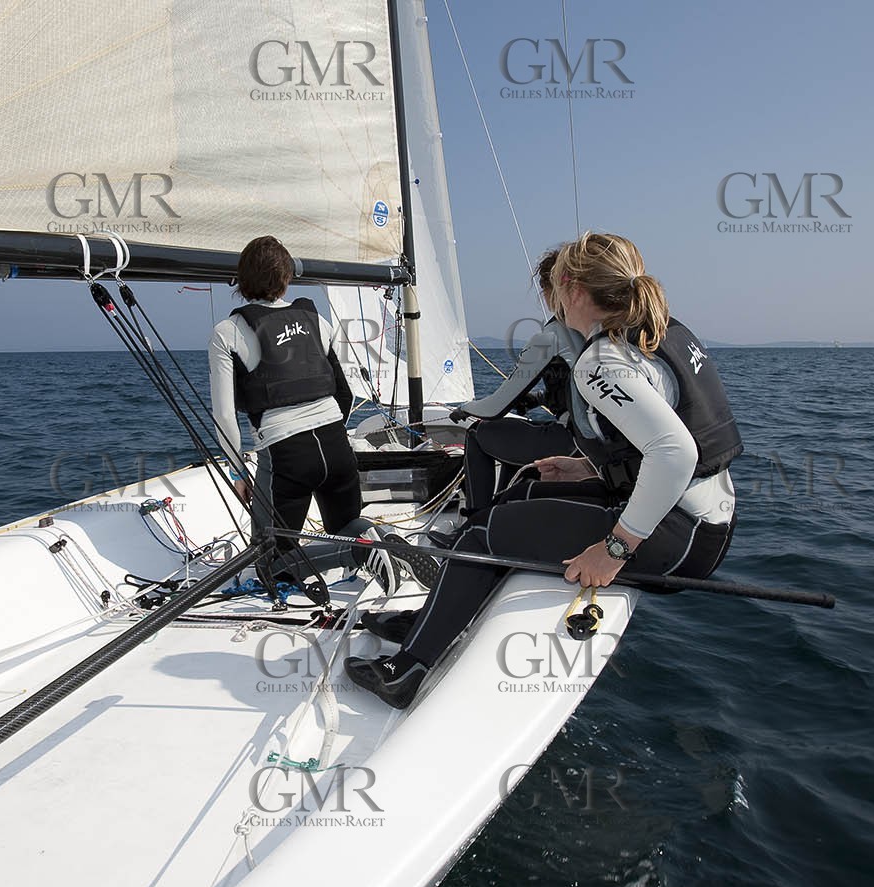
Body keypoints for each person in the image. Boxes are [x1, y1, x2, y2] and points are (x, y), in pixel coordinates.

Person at [347, 232, 741, 707]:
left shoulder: (601, 362)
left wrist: (614, 549)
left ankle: (405, 671)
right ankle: (435, 615)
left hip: (680, 534)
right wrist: (586, 468)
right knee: (519, 497)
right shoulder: (656, 332)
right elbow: (659, 439)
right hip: (701, 520)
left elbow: (676, 453)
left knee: (481, 535)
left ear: (572, 288)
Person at [209, 236, 395, 596]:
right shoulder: (317, 321)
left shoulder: (227, 332)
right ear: (287, 278)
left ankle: (360, 552)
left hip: (287, 457)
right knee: (345, 526)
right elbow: (344, 393)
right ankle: (380, 540)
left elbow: (225, 416)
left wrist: (239, 472)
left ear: (241, 280)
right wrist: (329, 434)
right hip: (337, 446)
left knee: (269, 562)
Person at [448, 248, 586, 516]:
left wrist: (465, 407)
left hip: (570, 440)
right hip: (593, 442)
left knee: (477, 433)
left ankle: (475, 521)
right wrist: (538, 399)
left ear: (551, 289)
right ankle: (504, 510)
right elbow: (580, 387)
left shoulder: (550, 336)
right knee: (514, 433)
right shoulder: (590, 332)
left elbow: (494, 408)